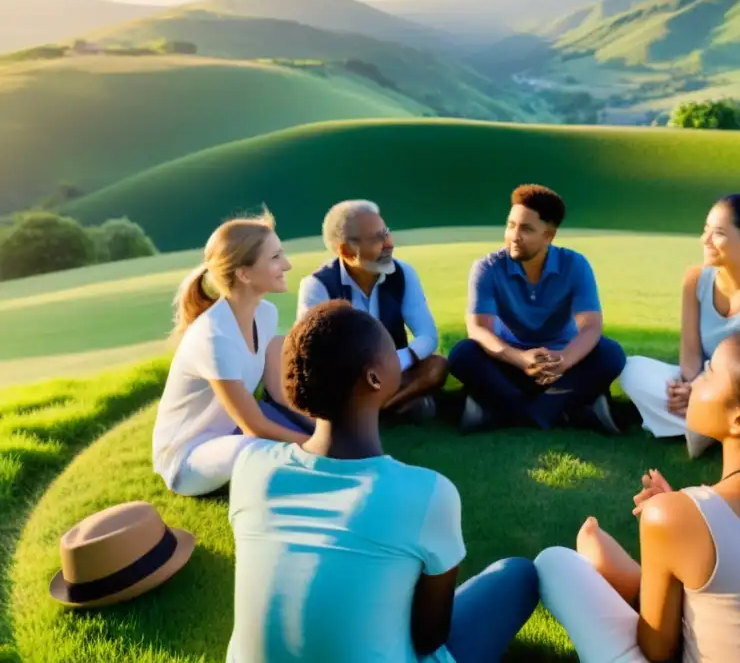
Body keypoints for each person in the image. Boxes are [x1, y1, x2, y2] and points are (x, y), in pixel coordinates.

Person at [226, 300, 540, 662]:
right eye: (392, 350)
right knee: (517, 575)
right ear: (374, 378)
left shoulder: (251, 466)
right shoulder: (426, 492)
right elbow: (429, 637)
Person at [535, 329, 740, 662]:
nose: (693, 383)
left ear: (739, 420)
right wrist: (682, 512)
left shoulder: (672, 516)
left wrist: (674, 515)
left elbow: (659, 651)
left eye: (708, 374)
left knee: (553, 564)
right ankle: (633, 578)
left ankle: (625, 580)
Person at [152, 211, 314, 498]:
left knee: (300, 434)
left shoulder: (265, 313)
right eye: (275, 257)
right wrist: (315, 447)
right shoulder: (214, 337)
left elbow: (278, 394)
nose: (287, 264)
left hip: (232, 433)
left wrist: (323, 427)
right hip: (189, 459)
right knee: (259, 449)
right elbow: (254, 426)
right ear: (244, 274)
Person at [620, 193, 740, 458]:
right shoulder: (695, 277)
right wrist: (691, 388)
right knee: (632, 370)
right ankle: (711, 430)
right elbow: (690, 354)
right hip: (701, 383)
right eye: (706, 230)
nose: (705, 240)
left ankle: (705, 427)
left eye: (719, 233)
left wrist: (703, 395)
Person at [447, 184, 626, 435]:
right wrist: (520, 359)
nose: (514, 236)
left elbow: (591, 326)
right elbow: (478, 329)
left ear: (549, 236)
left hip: (561, 364)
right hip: (509, 361)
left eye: (526, 229)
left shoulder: (575, 264)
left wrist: (563, 361)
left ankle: (497, 410)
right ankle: (567, 410)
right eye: (510, 225)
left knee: (611, 353)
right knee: (463, 354)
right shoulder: (487, 267)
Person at [296, 199, 446, 424]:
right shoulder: (318, 286)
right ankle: (394, 409)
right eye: (377, 238)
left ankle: (372, 415)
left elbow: (427, 336)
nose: (389, 244)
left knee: (437, 366)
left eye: (386, 233)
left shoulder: (403, 273)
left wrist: (395, 362)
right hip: (347, 381)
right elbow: (314, 356)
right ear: (346, 251)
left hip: (393, 374)